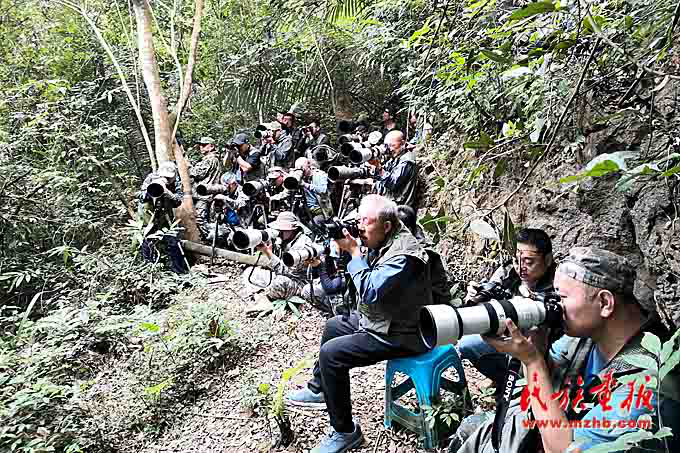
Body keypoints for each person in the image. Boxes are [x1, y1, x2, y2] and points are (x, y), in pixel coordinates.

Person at [451, 247, 680, 453]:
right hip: (557, 427)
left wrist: (533, 363)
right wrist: (536, 350)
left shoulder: (650, 385)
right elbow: (552, 377)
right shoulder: (589, 336)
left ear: (605, 303)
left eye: (561, 298)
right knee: (476, 429)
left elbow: (564, 450)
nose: (553, 305)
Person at [286, 195, 448, 453]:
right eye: (359, 219)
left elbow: (370, 291)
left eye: (366, 222)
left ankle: (345, 431)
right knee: (334, 326)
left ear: (386, 225)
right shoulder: (384, 235)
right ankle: (320, 389)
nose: (360, 227)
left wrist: (353, 252)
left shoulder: (405, 255)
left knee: (332, 354)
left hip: (405, 332)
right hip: (385, 320)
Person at [457, 228, 556, 391]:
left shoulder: (560, 283)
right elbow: (487, 309)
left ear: (548, 259)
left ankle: (531, 389)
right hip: (508, 340)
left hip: (543, 351)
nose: (521, 267)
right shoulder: (508, 272)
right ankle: (506, 383)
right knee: (467, 344)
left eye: (529, 262)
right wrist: (474, 298)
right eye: (517, 260)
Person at [255, 211, 319, 302]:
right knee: (255, 274)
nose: (280, 232)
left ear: (293, 229)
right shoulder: (287, 240)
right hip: (287, 276)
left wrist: (268, 253)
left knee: (279, 282)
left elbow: (287, 272)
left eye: (283, 230)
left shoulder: (301, 245)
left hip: (301, 283)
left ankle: (268, 300)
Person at [138, 161, 188, 274]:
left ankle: (178, 270)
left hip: (165, 215)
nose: (166, 179)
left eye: (168, 177)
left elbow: (178, 202)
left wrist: (168, 193)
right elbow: (140, 197)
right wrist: (150, 191)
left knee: (172, 240)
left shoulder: (177, 183)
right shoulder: (151, 178)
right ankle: (150, 269)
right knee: (148, 239)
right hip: (150, 214)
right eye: (164, 176)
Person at [372, 130, 418, 209]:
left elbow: (393, 183)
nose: (390, 149)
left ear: (403, 143)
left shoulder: (407, 161)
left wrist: (378, 167)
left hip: (399, 208)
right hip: (388, 204)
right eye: (387, 146)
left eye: (393, 145)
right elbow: (380, 177)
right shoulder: (395, 158)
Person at [190, 136, 222, 239]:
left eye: (204, 145)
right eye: (200, 145)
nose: (201, 147)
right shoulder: (214, 159)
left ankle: (210, 241)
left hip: (203, 195)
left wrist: (188, 166)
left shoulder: (210, 159)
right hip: (206, 194)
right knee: (205, 219)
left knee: (200, 220)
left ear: (211, 146)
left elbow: (196, 173)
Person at [294, 157, 332, 228]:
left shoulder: (320, 175)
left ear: (309, 165)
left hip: (321, 211)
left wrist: (305, 185)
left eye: (302, 167)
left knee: (313, 224)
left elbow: (323, 190)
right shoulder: (301, 177)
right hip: (307, 211)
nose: (300, 170)